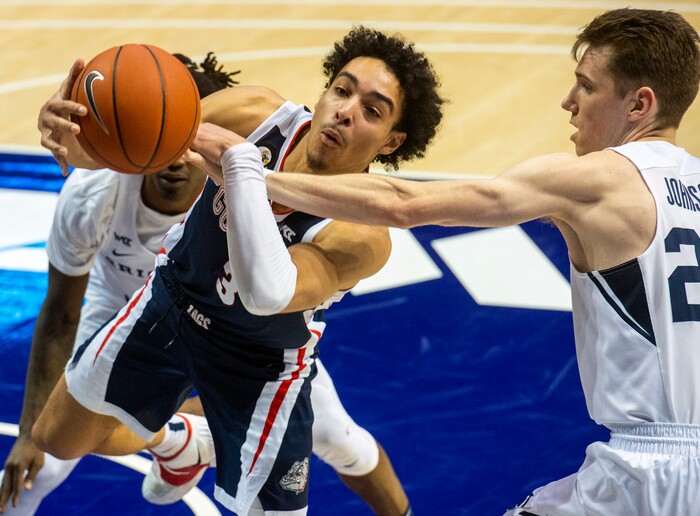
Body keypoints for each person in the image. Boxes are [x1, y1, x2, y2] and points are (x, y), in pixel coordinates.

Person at [263, 8, 700, 515]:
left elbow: (405, 204)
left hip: (646, 475)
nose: (569, 102)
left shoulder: (598, 180)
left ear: (640, 104)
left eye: (586, 86)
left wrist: (252, 173)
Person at [27, 27, 444, 516]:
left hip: (257, 360)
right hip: (174, 303)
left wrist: (247, 175)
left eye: (371, 111)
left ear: (392, 142)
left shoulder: (362, 233)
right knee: (55, 437)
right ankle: (184, 443)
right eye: (342, 89)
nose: (345, 111)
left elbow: (267, 293)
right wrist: (68, 133)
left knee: (339, 442)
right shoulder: (256, 114)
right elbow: (133, 145)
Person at [0, 52, 238, 515]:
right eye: (161, 138)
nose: (174, 157)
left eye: (186, 141)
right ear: (142, 136)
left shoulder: (237, 198)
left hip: (217, 322)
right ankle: (176, 441)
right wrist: (28, 433)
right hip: (118, 307)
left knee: (335, 440)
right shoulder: (93, 195)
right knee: (37, 467)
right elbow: (61, 311)